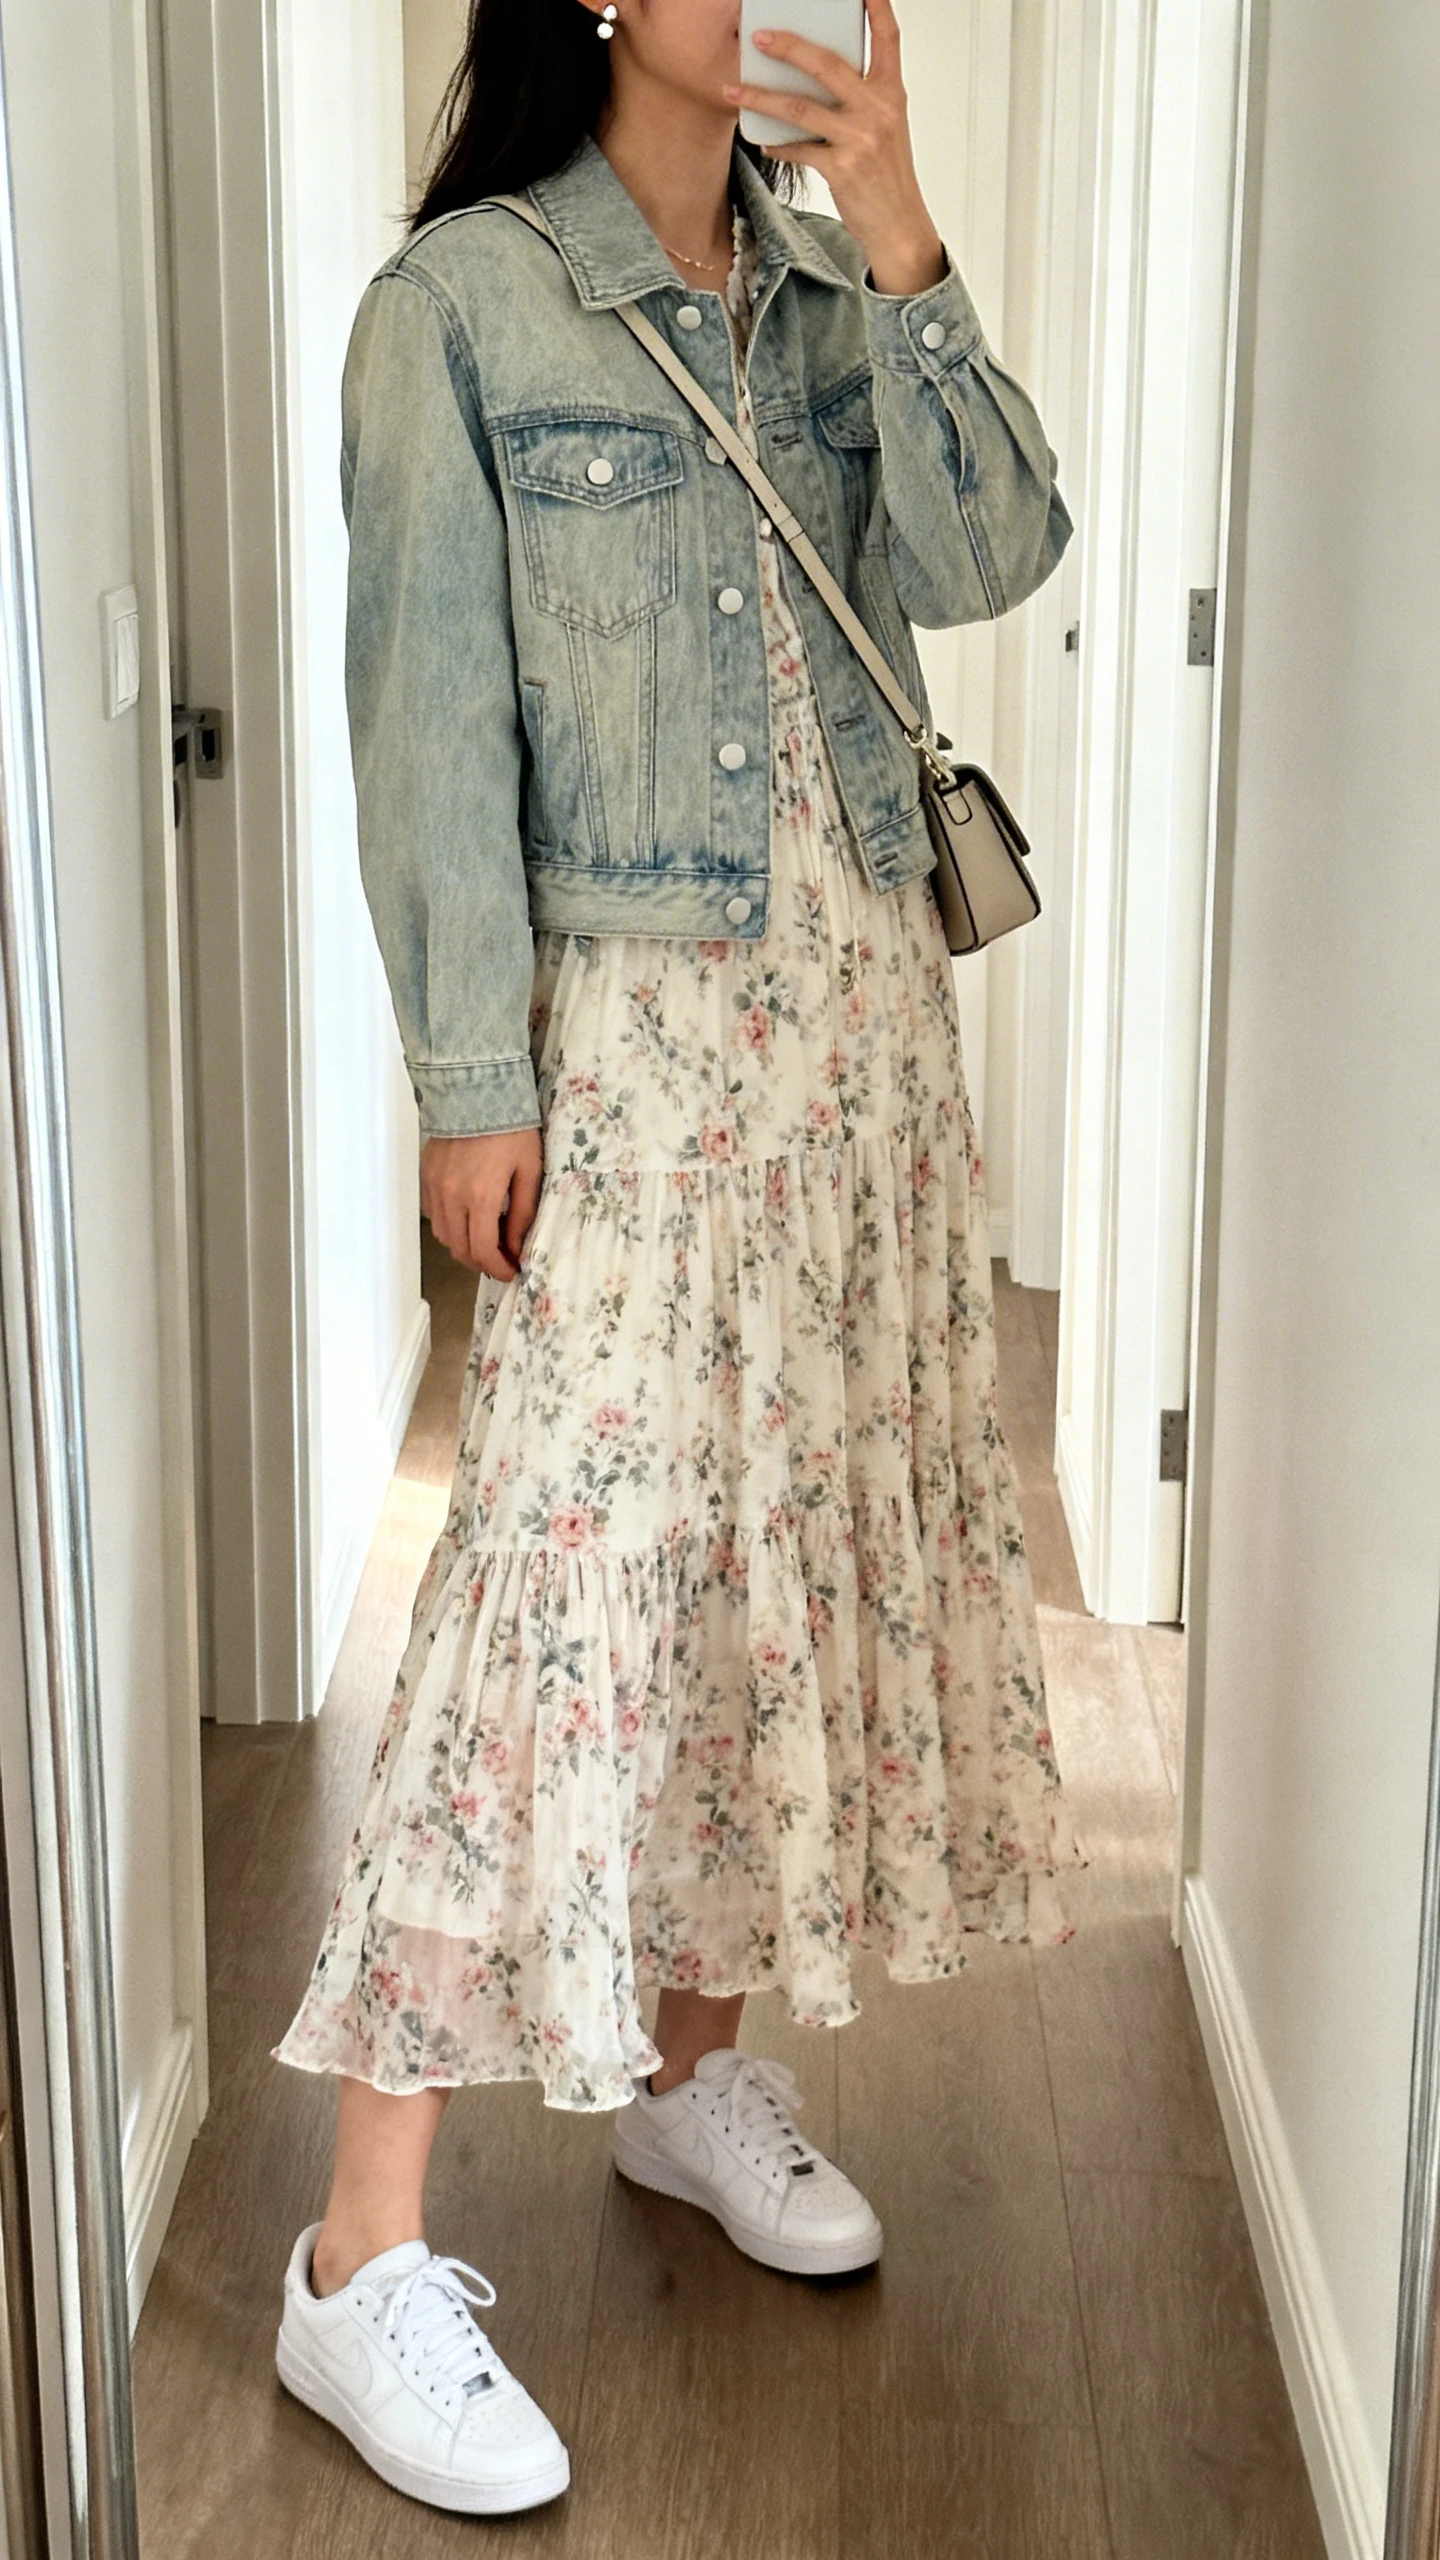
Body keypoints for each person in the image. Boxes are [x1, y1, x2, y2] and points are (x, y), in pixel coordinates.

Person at [270, 0, 1085, 2517]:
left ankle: (689, 2073)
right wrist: (469, 1077)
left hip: (852, 1054)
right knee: (551, 1585)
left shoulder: (847, 296)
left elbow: (994, 554)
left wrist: (915, 228)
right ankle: (354, 2263)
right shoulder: (462, 309)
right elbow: (425, 725)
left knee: (769, 1571)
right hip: (624, 1052)